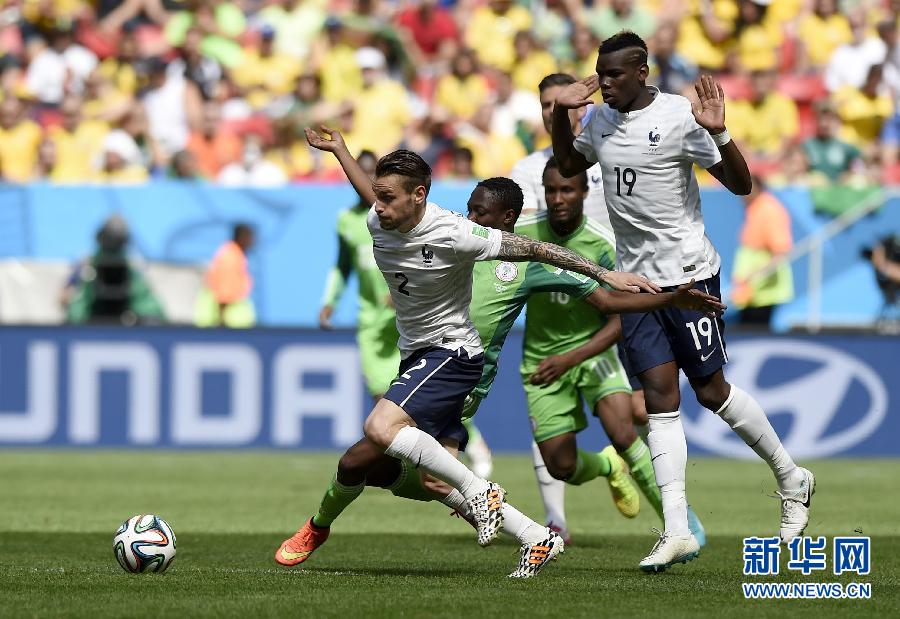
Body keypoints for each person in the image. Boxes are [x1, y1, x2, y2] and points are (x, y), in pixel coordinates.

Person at [276, 173, 724, 575]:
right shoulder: (458, 235)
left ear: (507, 217)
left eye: (481, 211)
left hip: (459, 372)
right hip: (426, 362)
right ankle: (534, 534)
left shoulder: (523, 262)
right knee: (398, 472)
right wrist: (341, 154)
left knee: (370, 450)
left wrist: (666, 300)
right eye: (469, 209)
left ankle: (320, 527)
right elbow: (390, 203)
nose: (471, 216)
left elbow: (605, 302)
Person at [550, 31, 814, 572]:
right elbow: (568, 166)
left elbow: (741, 185)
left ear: (642, 71)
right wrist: (561, 113)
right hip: (638, 285)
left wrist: (722, 133)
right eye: (600, 72)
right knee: (659, 396)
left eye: (614, 74)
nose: (603, 81)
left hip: (689, 277)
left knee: (712, 391)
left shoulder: (677, 117)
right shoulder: (599, 119)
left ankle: (792, 476)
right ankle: (675, 531)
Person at [516, 158, 705, 545]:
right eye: (550, 191)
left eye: (566, 190)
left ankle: (682, 525)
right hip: (541, 361)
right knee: (562, 465)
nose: (557, 199)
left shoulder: (602, 245)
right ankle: (606, 467)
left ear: (585, 192)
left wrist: (574, 356)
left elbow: (620, 315)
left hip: (594, 354)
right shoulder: (524, 237)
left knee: (623, 430)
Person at [319, 150, 493, 475]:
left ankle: (468, 446)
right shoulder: (353, 221)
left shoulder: (406, 219)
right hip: (373, 322)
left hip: (409, 320)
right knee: (387, 407)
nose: (377, 193)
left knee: (403, 407)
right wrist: (330, 300)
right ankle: (442, 470)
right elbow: (342, 265)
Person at [510, 73, 609, 228]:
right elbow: (527, 230)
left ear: (582, 109)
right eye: (546, 105)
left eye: (559, 103)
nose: (552, 111)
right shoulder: (526, 168)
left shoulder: (608, 155)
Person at [65, 214, 165, 325]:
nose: (112, 248)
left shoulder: (133, 267)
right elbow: (69, 302)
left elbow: (152, 313)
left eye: (116, 242)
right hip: (91, 320)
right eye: (109, 240)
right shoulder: (86, 265)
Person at [731, 177, 794, 329]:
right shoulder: (757, 208)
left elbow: (781, 252)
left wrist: (754, 278)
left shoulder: (769, 209)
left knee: (755, 330)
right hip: (752, 293)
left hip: (762, 293)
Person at [194, 223, 256, 327]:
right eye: (249, 237)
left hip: (233, 325)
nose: (252, 241)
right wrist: (222, 326)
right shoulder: (230, 258)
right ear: (241, 237)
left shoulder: (235, 255)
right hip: (229, 325)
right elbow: (223, 295)